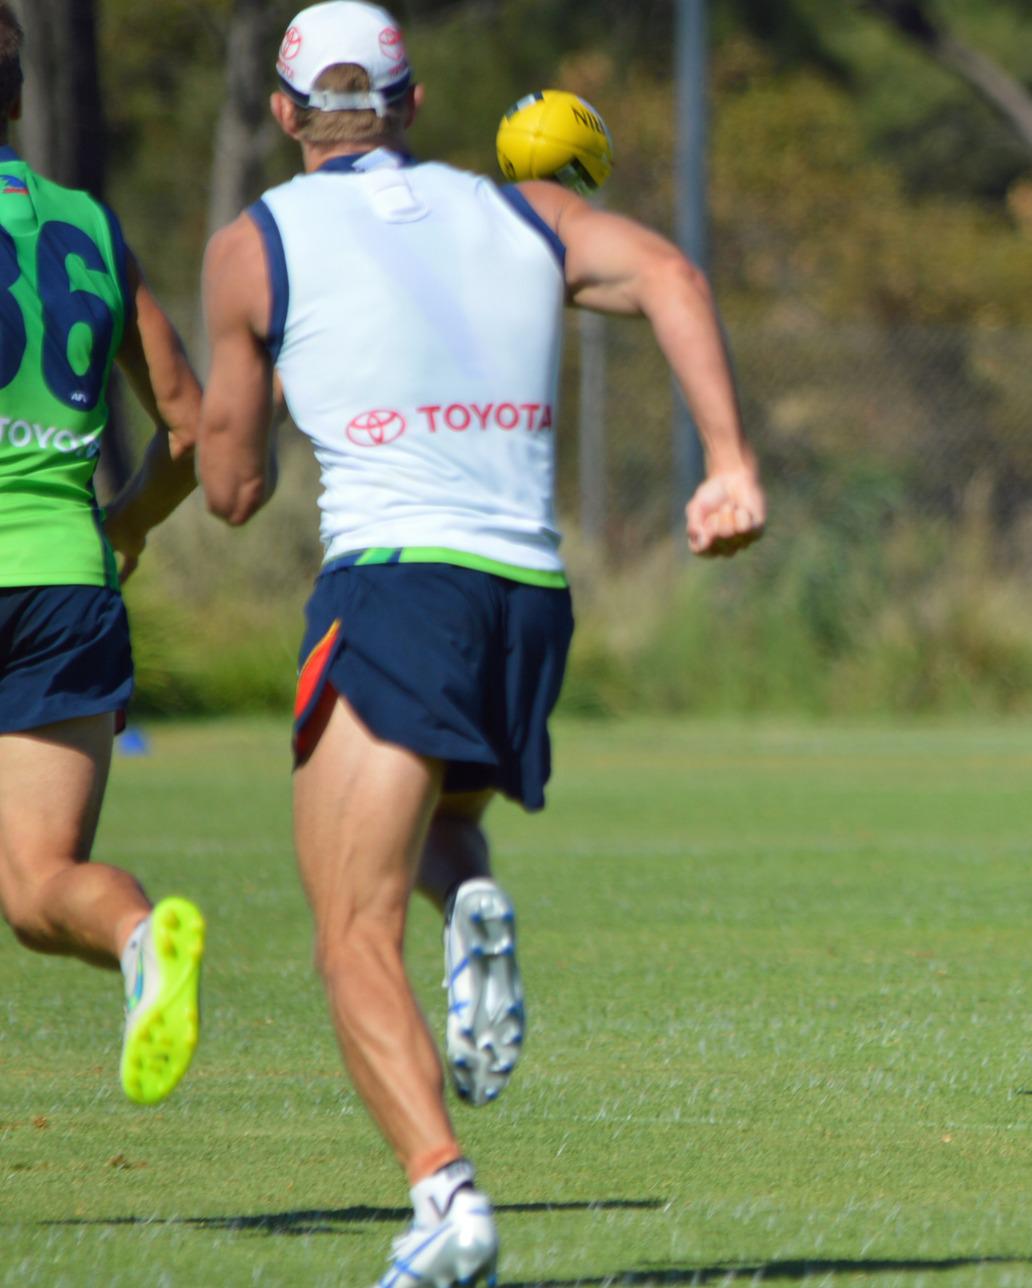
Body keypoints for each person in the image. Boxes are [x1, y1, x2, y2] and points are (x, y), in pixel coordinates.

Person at [195, 5, 764, 1284]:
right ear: (411, 105)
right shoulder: (520, 211)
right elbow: (676, 278)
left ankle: (444, 1199)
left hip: (395, 586)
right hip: (526, 596)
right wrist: (727, 463)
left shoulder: (254, 244)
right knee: (438, 822)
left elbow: (232, 490)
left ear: (285, 115)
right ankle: (476, 903)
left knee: (349, 927)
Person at [0, 0, 208, 1108]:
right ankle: (137, 939)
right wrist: (127, 520)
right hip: (66, 583)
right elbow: (192, 427)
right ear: (20, 97)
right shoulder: (87, 223)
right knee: (38, 892)